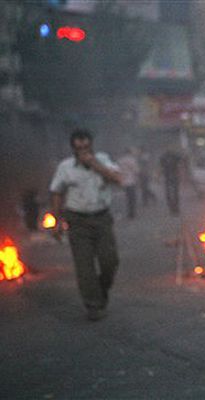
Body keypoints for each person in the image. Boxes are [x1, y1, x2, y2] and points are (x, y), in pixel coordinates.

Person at [49, 129, 123, 321]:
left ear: (91, 144)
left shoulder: (103, 160)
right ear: (73, 147)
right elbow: (57, 192)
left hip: (101, 219)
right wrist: (56, 221)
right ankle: (93, 305)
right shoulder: (65, 167)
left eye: (86, 145)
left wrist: (94, 165)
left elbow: (118, 179)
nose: (82, 150)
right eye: (78, 147)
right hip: (77, 221)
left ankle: (100, 291)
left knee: (110, 261)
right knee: (84, 266)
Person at [117, 146, 140, 219]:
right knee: (132, 197)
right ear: (129, 153)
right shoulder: (132, 160)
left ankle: (129, 212)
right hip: (131, 181)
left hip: (124, 181)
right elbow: (136, 170)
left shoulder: (120, 160)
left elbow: (118, 171)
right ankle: (132, 212)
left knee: (127, 197)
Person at [160, 148, 182, 215]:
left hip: (169, 177)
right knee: (174, 193)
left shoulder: (164, 157)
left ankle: (173, 208)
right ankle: (175, 208)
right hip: (173, 176)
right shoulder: (175, 156)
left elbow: (161, 167)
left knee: (170, 193)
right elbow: (180, 164)